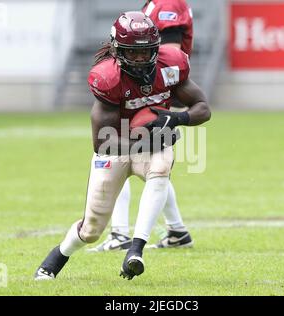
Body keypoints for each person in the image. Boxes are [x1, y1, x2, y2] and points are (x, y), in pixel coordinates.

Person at [34, 11, 210, 280]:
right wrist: (151, 138)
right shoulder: (108, 78)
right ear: (118, 51)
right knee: (91, 230)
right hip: (117, 147)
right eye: (132, 53)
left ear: (155, 47)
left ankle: (135, 250)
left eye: (145, 52)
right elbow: (103, 141)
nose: (140, 59)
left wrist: (176, 118)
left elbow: (203, 108)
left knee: (161, 165)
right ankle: (57, 256)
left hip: (148, 146)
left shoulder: (170, 66)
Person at [88, 0, 195, 252]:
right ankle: (177, 230)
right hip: (143, 87)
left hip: (148, 90)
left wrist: (151, 92)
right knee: (151, 164)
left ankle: (120, 233)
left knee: (121, 153)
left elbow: (166, 58)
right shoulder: (155, 4)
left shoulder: (167, 4)